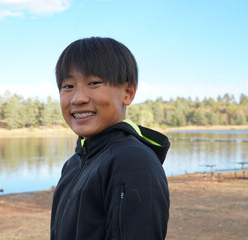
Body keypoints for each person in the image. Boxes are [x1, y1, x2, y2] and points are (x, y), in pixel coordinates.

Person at [50, 37, 170, 240]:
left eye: (94, 83)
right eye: (68, 86)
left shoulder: (133, 161)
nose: (78, 98)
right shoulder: (75, 162)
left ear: (128, 92)